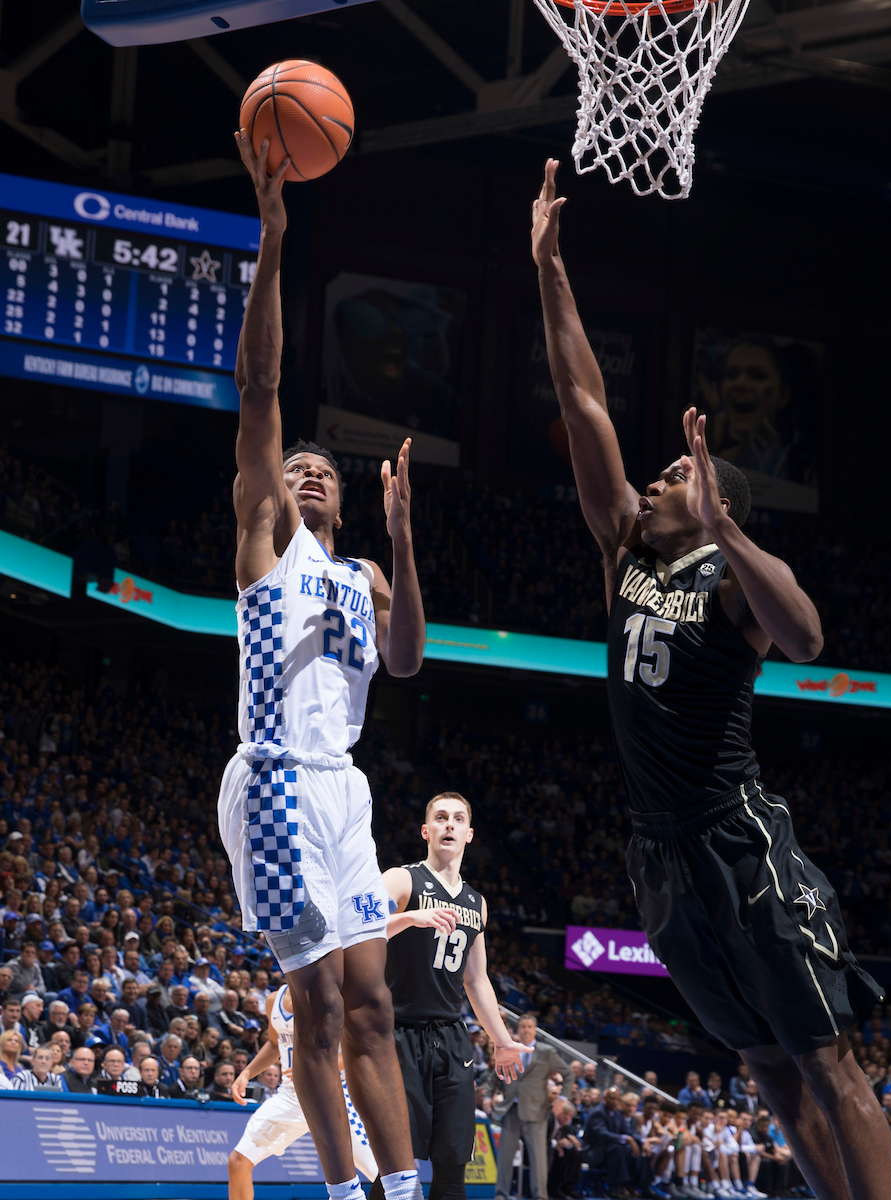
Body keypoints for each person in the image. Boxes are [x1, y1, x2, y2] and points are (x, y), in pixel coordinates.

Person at [530, 157, 891, 1200]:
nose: (652, 477)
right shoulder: (623, 550)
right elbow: (579, 393)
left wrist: (732, 531)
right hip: (662, 862)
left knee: (823, 1056)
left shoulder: (728, 582)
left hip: (739, 841)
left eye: (676, 473)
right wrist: (549, 266)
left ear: (716, 501)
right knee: (765, 1066)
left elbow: (809, 636)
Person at [218, 130, 427, 1200]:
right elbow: (261, 382)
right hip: (273, 784)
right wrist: (272, 235)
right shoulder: (265, 539)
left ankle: (402, 1187)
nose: (302, 471)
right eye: (291, 465)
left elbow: (402, 664)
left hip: (344, 789)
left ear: (338, 500)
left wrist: (398, 540)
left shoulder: (363, 577)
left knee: (375, 1006)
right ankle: (346, 1194)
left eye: (319, 470)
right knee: (318, 1010)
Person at [378, 792, 527, 1200]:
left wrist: (501, 1040)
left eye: (457, 819)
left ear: (469, 833)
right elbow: (357, 930)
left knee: (453, 1167)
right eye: (440, 818)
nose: (449, 824)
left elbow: (476, 980)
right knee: (397, 1169)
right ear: (426, 831)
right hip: (399, 1034)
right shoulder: (402, 879)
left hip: (452, 1039)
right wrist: (409, 917)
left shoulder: (477, 903)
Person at [228, 984, 378, 1200]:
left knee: (380, 1173)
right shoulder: (273, 1000)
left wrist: (314, 1066)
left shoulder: (333, 995)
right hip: (291, 1097)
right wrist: (247, 1073)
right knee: (238, 1161)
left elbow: (358, 1048)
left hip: (335, 1094)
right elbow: (274, 1043)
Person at [493, 1014, 572, 1200]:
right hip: (512, 1109)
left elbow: (568, 1074)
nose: (526, 1029)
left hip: (537, 1111)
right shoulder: (510, 1049)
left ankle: (540, 1196)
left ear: (535, 1029)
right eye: (523, 1026)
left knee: (538, 1159)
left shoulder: (546, 1051)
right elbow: (498, 1075)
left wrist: (562, 1098)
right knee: (505, 1157)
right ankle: (501, 1195)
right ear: (518, 1029)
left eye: (529, 1026)